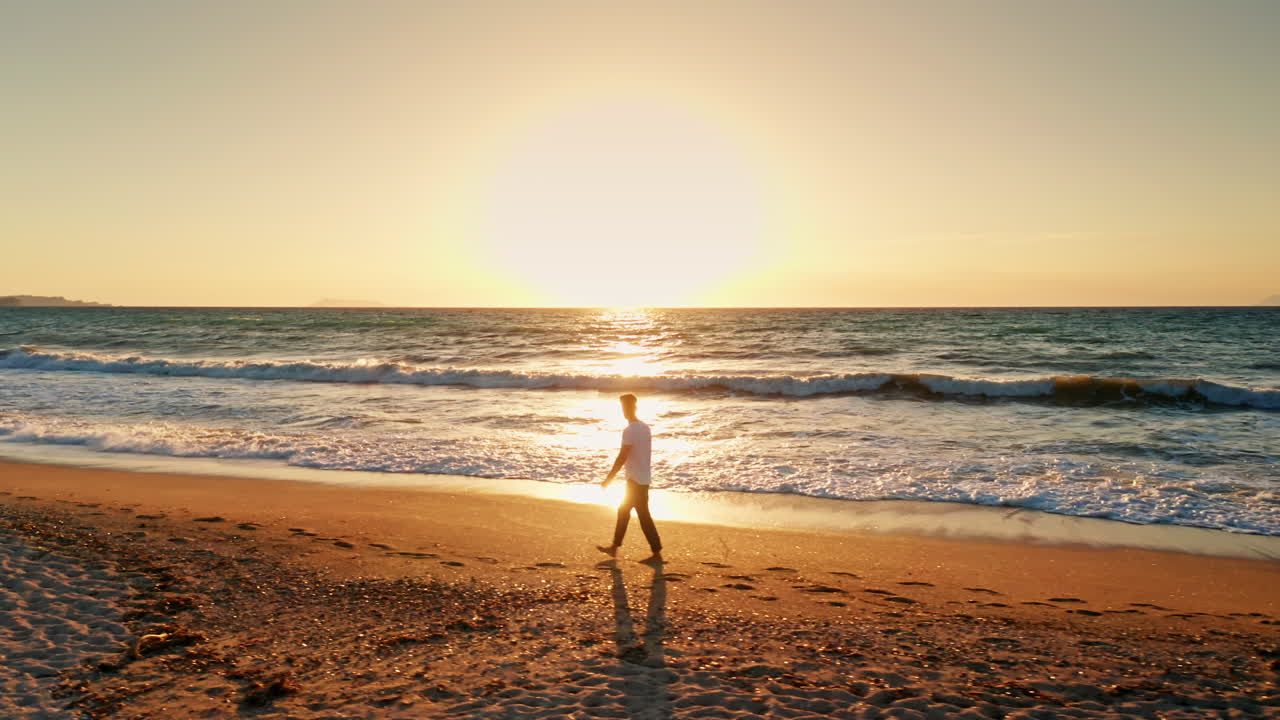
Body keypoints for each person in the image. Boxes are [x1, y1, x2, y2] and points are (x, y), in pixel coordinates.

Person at [597, 393, 663, 564]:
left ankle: (655, 553)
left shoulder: (630, 430)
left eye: (625, 407)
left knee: (638, 514)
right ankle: (616, 547)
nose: (624, 410)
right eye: (623, 407)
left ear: (631, 408)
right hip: (643, 477)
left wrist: (609, 479)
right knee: (627, 512)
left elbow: (622, 456)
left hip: (634, 479)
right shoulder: (645, 427)